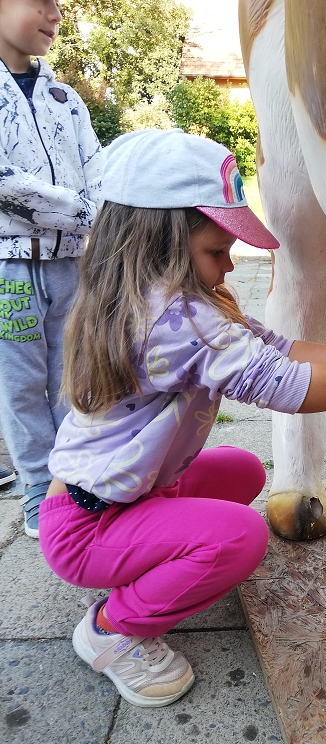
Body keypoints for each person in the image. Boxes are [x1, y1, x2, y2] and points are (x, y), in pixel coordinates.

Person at [38, 129, 326, 708]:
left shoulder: (171, 301)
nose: (229, 266)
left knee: (243, 470)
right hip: (87, 529)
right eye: (216, 251)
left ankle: (159, 557)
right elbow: (283, 385)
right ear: (159, 243)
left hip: (118, 500)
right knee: (242, 536)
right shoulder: (170, 324)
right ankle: (113, 628)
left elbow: (278, 347)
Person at [0, 0, 102, 536]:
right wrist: (85, 211)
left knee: (73, 374)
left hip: (71, 265)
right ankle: (37, 486)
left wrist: (104, 221)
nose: (54, 13)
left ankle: (74, 475)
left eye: (59, 4)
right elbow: (6, 184)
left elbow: (96, 167)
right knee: (19, 384)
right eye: (38, 1)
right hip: (8, 273)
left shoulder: (66, 98)